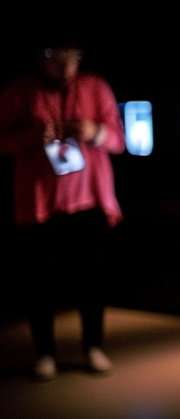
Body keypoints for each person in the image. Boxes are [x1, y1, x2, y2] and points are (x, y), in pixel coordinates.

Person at [0, 40, 125, 379]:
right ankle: (44, 354)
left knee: (92, 280)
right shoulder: (18, 91)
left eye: (75, 59)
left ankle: (93, 348)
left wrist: (93, 130)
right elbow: (2, 142)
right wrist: (33, 136)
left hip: (89, 200)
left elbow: (118, 140)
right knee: (38, 281)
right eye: (59, 60)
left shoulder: (94, 86)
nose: (68, 68)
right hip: (40, 204)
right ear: (42, 58)